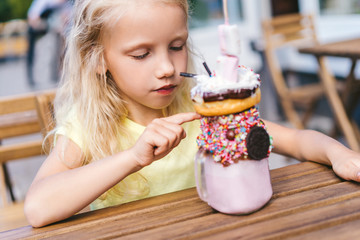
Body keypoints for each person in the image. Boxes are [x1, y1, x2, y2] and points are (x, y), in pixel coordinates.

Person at [24, 0, 360, 228]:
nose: (167, 68)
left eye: (176, 46)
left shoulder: (205, 113)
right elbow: (38, 208)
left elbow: (297, 139)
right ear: (98, 59)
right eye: (142, 54)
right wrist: (133, 157)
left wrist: (339, 153)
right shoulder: (89, 128)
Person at [26, 0, 72, 85]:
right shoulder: (44, 2)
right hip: (39, 30)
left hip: (54, 31)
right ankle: (32, 77)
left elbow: (67, 20)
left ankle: (56, 73)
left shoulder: (66, 5)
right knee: (32, 54)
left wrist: (60, 25)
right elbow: (32, 19)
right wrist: (49, 26)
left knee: (61, 42)